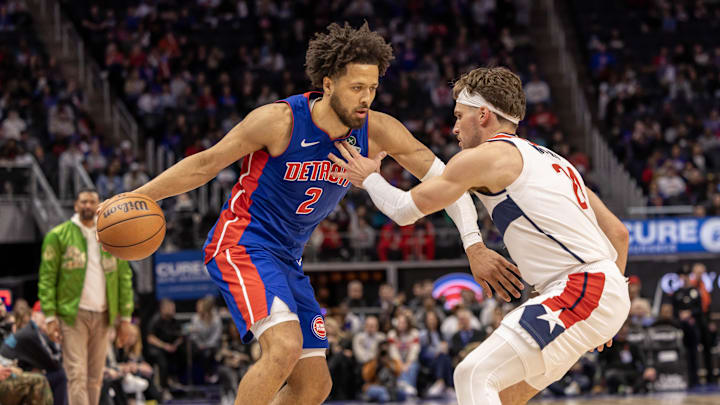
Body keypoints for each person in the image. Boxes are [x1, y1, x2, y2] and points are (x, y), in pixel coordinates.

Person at [98, 23, 520, 405]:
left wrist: (474, 243)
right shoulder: (278, 121)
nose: (366, 97)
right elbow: (206, 164)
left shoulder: (378, 130)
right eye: (356, 87)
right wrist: (138, 195)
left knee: (314, 385)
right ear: (328, 83)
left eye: (372, 87)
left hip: (288, 257)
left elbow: (448, 183)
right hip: (243, 242)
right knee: (282, 347)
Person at [330, 66, 631, 404]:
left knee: (472, 373)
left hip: (582, 287)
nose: (454, 127)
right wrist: (608, 309)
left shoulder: (484, 157)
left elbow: (403, 210)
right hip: (597, 289)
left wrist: (369, 177)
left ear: (483, 115)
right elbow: (619, 234)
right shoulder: (554, 160)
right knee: (501, 396)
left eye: (459, 116)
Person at [38, 187, 134, 405]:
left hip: (103, 314)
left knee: (95, 378)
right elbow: (46, 279)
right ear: (76, 205)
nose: (88, 206)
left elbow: (124, 278)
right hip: (72, 314)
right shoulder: (58, 236)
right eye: (84, 202)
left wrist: (125, 318)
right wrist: (50, 316)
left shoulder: (112, 236)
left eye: (92, 201)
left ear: (99, 205)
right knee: (77, 375)